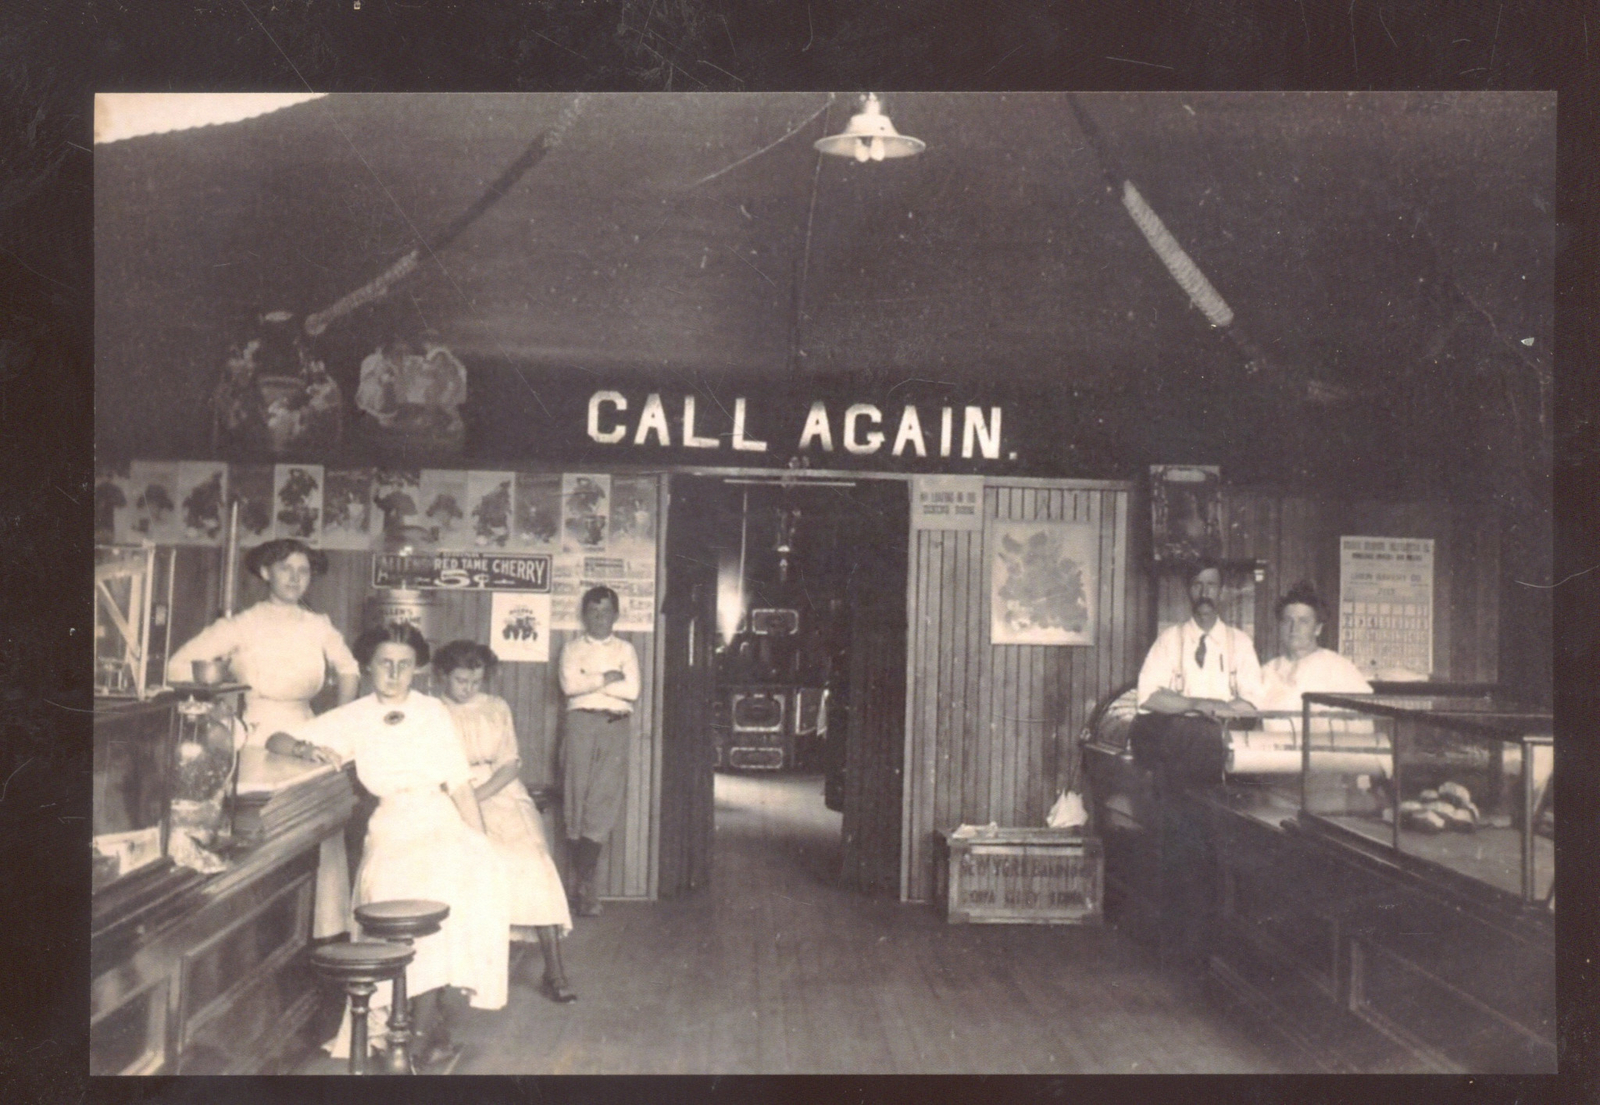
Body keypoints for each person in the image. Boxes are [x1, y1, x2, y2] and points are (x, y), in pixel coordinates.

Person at [267, 624, 510, 1070]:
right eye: (385, 663)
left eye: (404, 664)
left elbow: (459, 784)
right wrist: (304, 748)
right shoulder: (354, 715)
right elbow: (274, 739)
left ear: (417, 669)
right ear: (367, 666)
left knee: (448, 901)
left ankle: (416, 1034)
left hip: (440, 821)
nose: (395, 674)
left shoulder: (433, 711)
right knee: (391, 901)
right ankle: (421, 1030)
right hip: (391, 825)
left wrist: (480, 840)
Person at [167, 538, 361, 938]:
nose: (295, 578)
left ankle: (322, 932)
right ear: (265, 572)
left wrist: (340, 721)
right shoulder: (242, 624)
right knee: (262, 828)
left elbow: (350, 669)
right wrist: (223, 692)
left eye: (303, 570)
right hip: (254, 734)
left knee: (317, 823)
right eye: (286, 569)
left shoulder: (318, 624)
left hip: (309, 731)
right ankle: (262, 933)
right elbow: (177, 666)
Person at [1127, 558, 1263, 974]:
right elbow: (1149, 696)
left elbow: (1252, 703)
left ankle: (1210, 950)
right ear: (1189, 591)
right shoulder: (1170, 640)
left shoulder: (1240, 643)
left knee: (1216, 856)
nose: (1205, 593)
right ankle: (1177, 950)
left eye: (1212, 585)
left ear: (1222, 591)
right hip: (1177, 763)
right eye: (1198, 585)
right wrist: (1199, 704)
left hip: (1223, 765)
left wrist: (1207, 708)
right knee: (1178, 853)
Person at [435, 640, 577, 1003]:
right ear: (443, 676)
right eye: (461, 680)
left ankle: (555, 971)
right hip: (448, 794)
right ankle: (452, 974)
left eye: (476, 681)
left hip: (501, 790)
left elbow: (510, 764)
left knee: (533, 862)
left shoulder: (497, 707)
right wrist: (460, 798)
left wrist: (478, 796)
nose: (468, 688)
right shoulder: (431, 711)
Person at [557, 586, 640, 917]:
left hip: (614, 726)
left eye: (605, 611)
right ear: (584, 615)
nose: (599, 617)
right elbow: (569, 686)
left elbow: (632, 690)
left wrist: (589, 680)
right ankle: (584, 886)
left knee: (602, 802)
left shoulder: (625, 649)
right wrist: (607, 677)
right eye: (593, 611)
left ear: (616, 615)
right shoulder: (572, 648)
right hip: (580, 723)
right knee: (575, 800)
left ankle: (585, 884)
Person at [1257, 580, 1373, 729]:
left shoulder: (1340, 668)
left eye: (1303, 621)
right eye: (1287, 621)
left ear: (1317, 628)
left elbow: (1363, 727)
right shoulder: (1268, 670)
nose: (1294, 628)